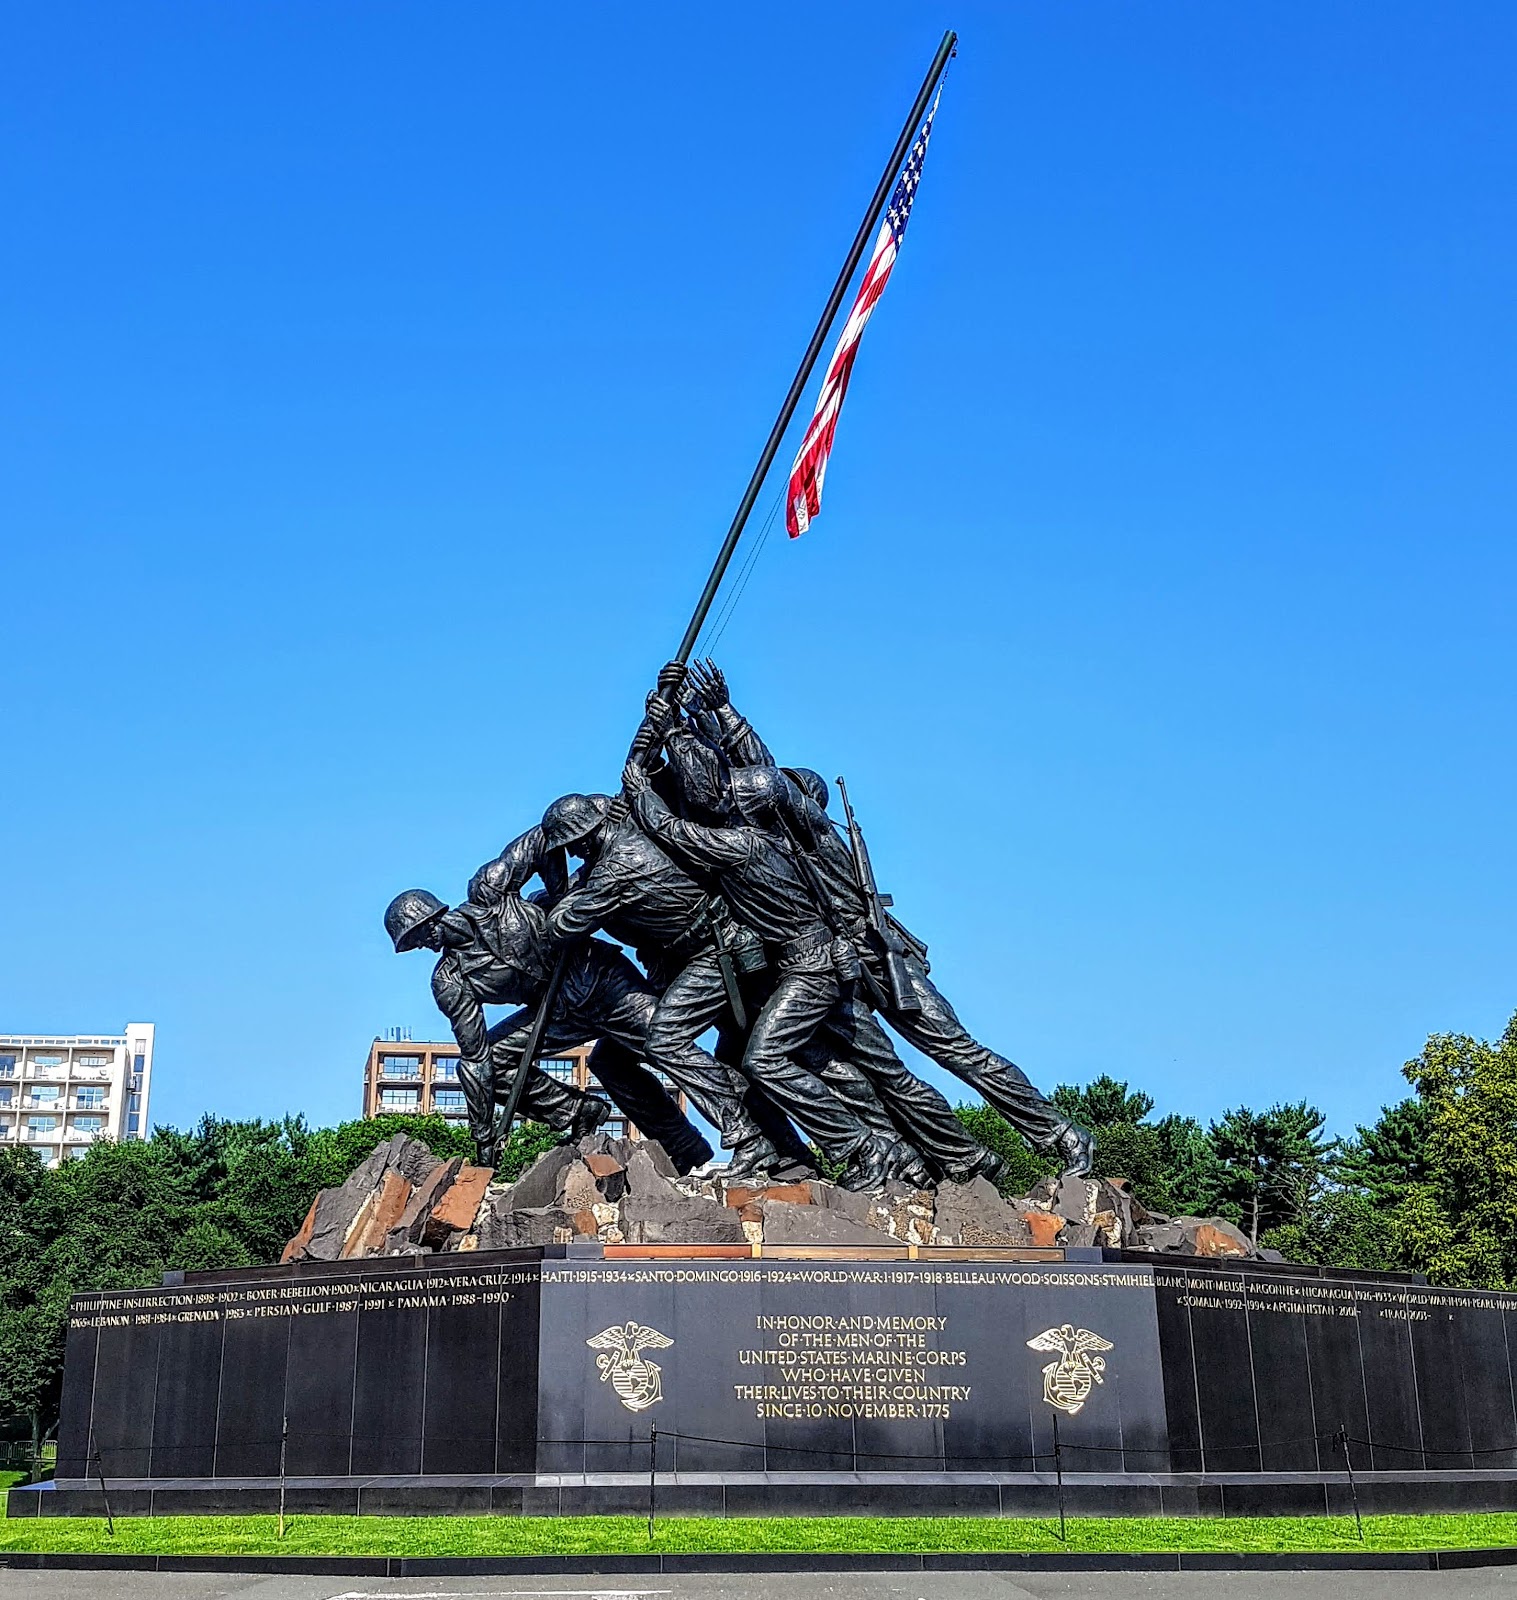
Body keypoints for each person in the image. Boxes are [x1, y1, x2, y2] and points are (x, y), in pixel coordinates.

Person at [383, 869, 711, 1174]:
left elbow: (542, 841)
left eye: (419, 934)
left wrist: (558, 890)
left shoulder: (491, 892)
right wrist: (484, 1135)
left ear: (433, 915)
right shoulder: (449, 981)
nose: (423, 944)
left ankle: (748, 1132)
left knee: (667, 1043)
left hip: (603, 982)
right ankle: (579, 1111)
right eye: (413, 944)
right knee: (496, 1063)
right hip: (557, 1012)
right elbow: (476, 1058)